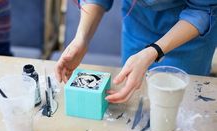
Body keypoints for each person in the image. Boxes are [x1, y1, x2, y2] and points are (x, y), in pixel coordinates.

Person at [55, 0, 217, 103]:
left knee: (180, 105)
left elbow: (201, 10)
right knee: (132, 99)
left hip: (190, 36)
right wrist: (82, 38)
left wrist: (154, 50)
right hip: (138, 23)